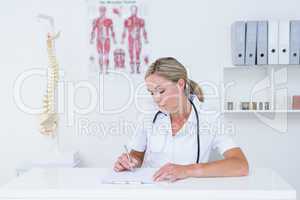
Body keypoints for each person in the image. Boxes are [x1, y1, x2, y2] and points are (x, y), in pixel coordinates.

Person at [113, 57, 249, 182]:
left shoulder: (210, 118)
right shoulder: (148, 117)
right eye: (151, 92)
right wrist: (130, 162)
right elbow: (136, 155)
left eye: (161, 91)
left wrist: (186, 170)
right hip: (153, 191)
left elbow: (240, 165)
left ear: (180, 84)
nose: (156, 99)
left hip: (189, 193)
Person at [90, 6, 116, 74]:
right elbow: (93, 30)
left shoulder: (109, 20)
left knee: (107, 55)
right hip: (99, 39)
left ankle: (106, 70)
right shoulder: (96, 20)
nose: (102, 12)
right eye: (101, 11)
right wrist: (92, 39)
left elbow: (112, 30)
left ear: (105, 12)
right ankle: (101, 70)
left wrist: (114, 39)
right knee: (100, 55)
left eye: (103, 11)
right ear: (99, 12)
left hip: (107, 39)